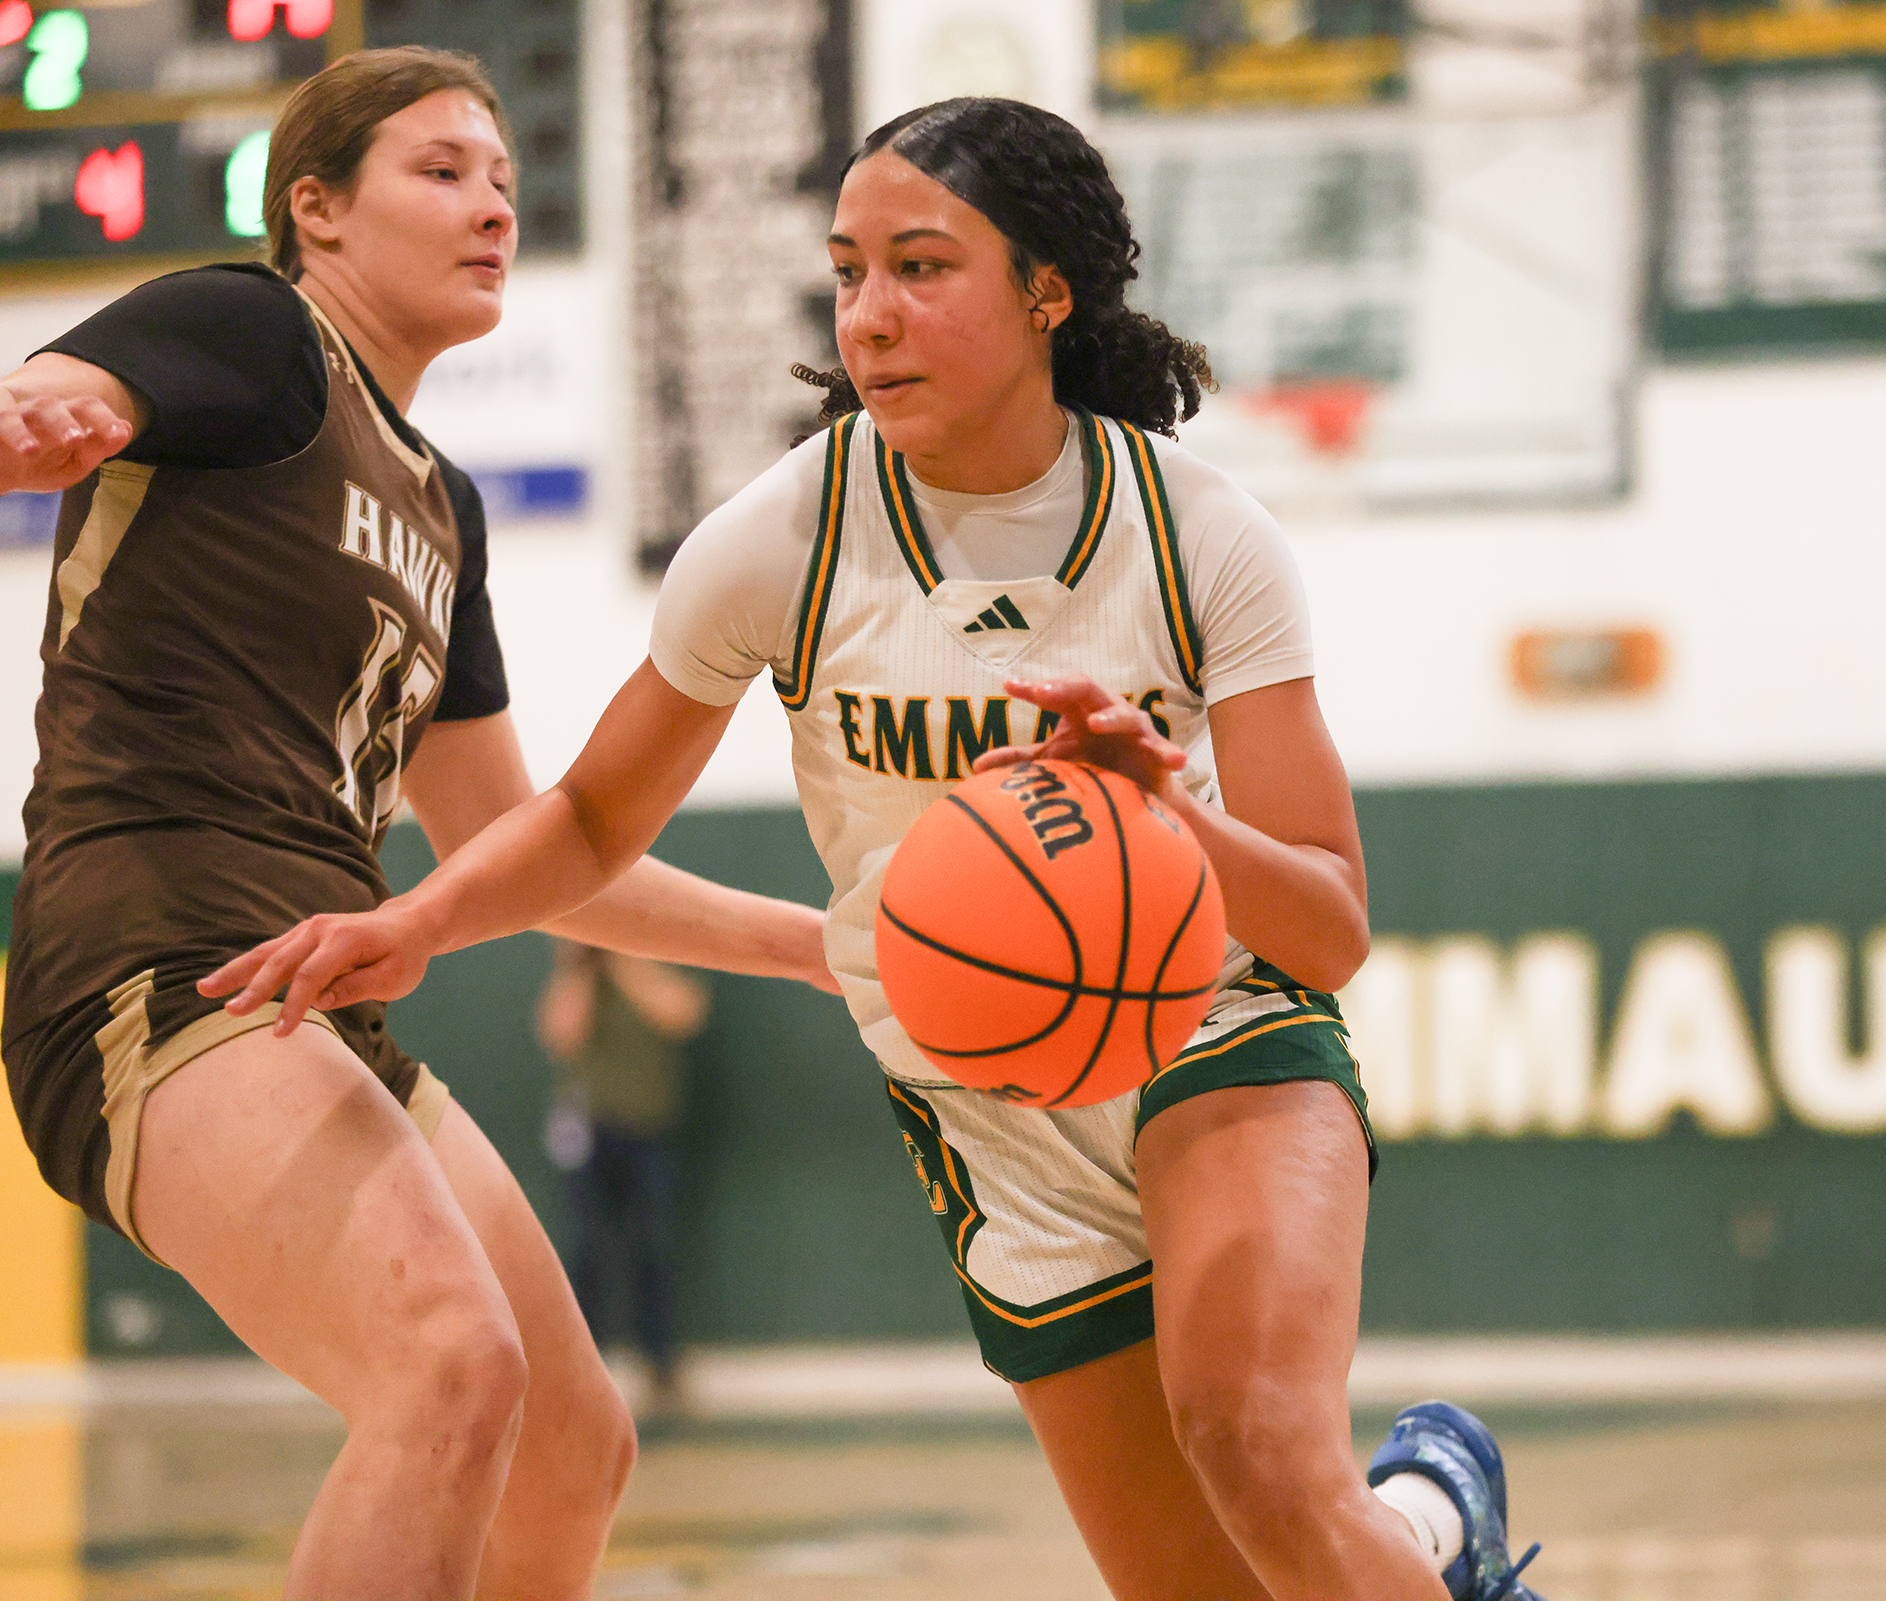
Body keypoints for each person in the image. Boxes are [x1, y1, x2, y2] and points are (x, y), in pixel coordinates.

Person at [204, 97, 1545, 1601]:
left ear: (1046, 290)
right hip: (984, 1095)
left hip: (1209, 1027)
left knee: (1252, 1440)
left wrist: (1174, 811)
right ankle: (1434, 1529)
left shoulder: (1198, 534)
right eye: (848, 274)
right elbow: (587, 819)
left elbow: (1331, 927)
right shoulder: (782, 538)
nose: (870, 316)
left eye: (920, 268)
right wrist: (427, 921)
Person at [0, 48, 835, 1600]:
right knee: (452, 1362)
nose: (492, 207)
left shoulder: (446, 506)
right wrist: (48, 407)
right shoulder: (255, 331)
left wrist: (824, 945)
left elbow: (537, 850)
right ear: (315, 208)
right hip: (153, 957)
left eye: (506, 181)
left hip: (310, 983)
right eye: (442, 172)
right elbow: (65, 399)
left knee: (571, 1439)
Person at [537, 939, 707, 1410]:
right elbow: (560, 1034)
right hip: (588, 1132)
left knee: (652, 1244)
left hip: (650, 1129)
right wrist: (578, 968)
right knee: (584, 1248)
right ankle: (582, 1363)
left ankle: (660, 1363)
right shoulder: (578, 976)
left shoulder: (650, 964)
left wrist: (622, 954)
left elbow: (682, 1014)